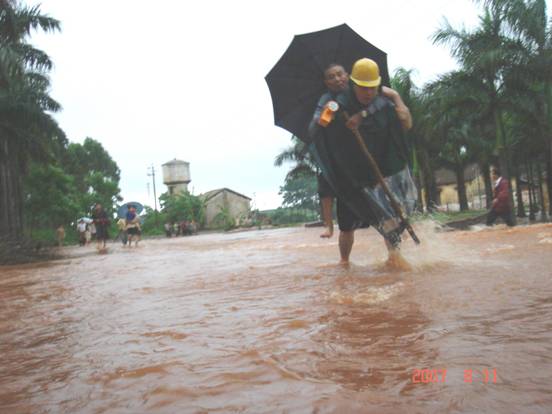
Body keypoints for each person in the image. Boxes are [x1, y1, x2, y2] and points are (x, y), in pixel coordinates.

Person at [313, 58, 415, 265]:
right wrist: (327, 114)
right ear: (354, 84)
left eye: (372, 88)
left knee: (390, 219)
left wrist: (393, 99)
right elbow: (325, 115)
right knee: (347, 225)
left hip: (380, 171)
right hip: (351, 175)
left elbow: (406, 124)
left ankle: (395, 259)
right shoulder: (338, 100)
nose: (368, 93)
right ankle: (344, 262)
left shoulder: (384, 100)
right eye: (363, 88)